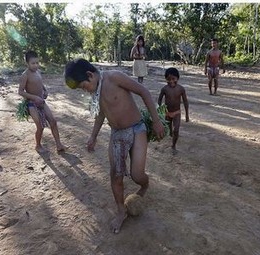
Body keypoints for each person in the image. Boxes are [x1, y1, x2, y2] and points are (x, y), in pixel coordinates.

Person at [64, 58, 165, 234]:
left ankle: (145, 185)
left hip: (137, 129)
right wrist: (93, 136)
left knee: (136, 174)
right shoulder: (96, 92)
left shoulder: (114, 77)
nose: (85, 91)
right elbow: (101, 114)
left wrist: (156, 121)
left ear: (90, 75)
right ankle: (121, 211)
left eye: (83, 86)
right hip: (117, 135)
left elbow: (143, 92)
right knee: (116, 175)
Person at [18, 50, 66, 153]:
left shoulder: (38, 72)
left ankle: (58, 144)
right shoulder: (25, 75)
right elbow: (20, 92)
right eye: (33, 63)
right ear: (27, 63)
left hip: (42, 102)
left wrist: (45, 90)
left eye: (37, 63)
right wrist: (34, 97)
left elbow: (40, 83)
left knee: (53, 121)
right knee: (40, 126)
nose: (36, 65)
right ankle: (38, 145)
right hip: (32, 104)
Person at [158, 67, 189, 154]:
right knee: (168, 128)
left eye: (173, 79)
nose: (171, 81)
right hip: (167, 112)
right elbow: (159, 100)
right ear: (165, 79)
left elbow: (185, 101)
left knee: (176, 129)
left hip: (177, 112)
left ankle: (173, 145)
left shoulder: (181, 89)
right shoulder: (164, 89)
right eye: (168, 79)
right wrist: (160, 111)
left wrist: (187, 115)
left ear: (177, 78)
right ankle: (171, 132)